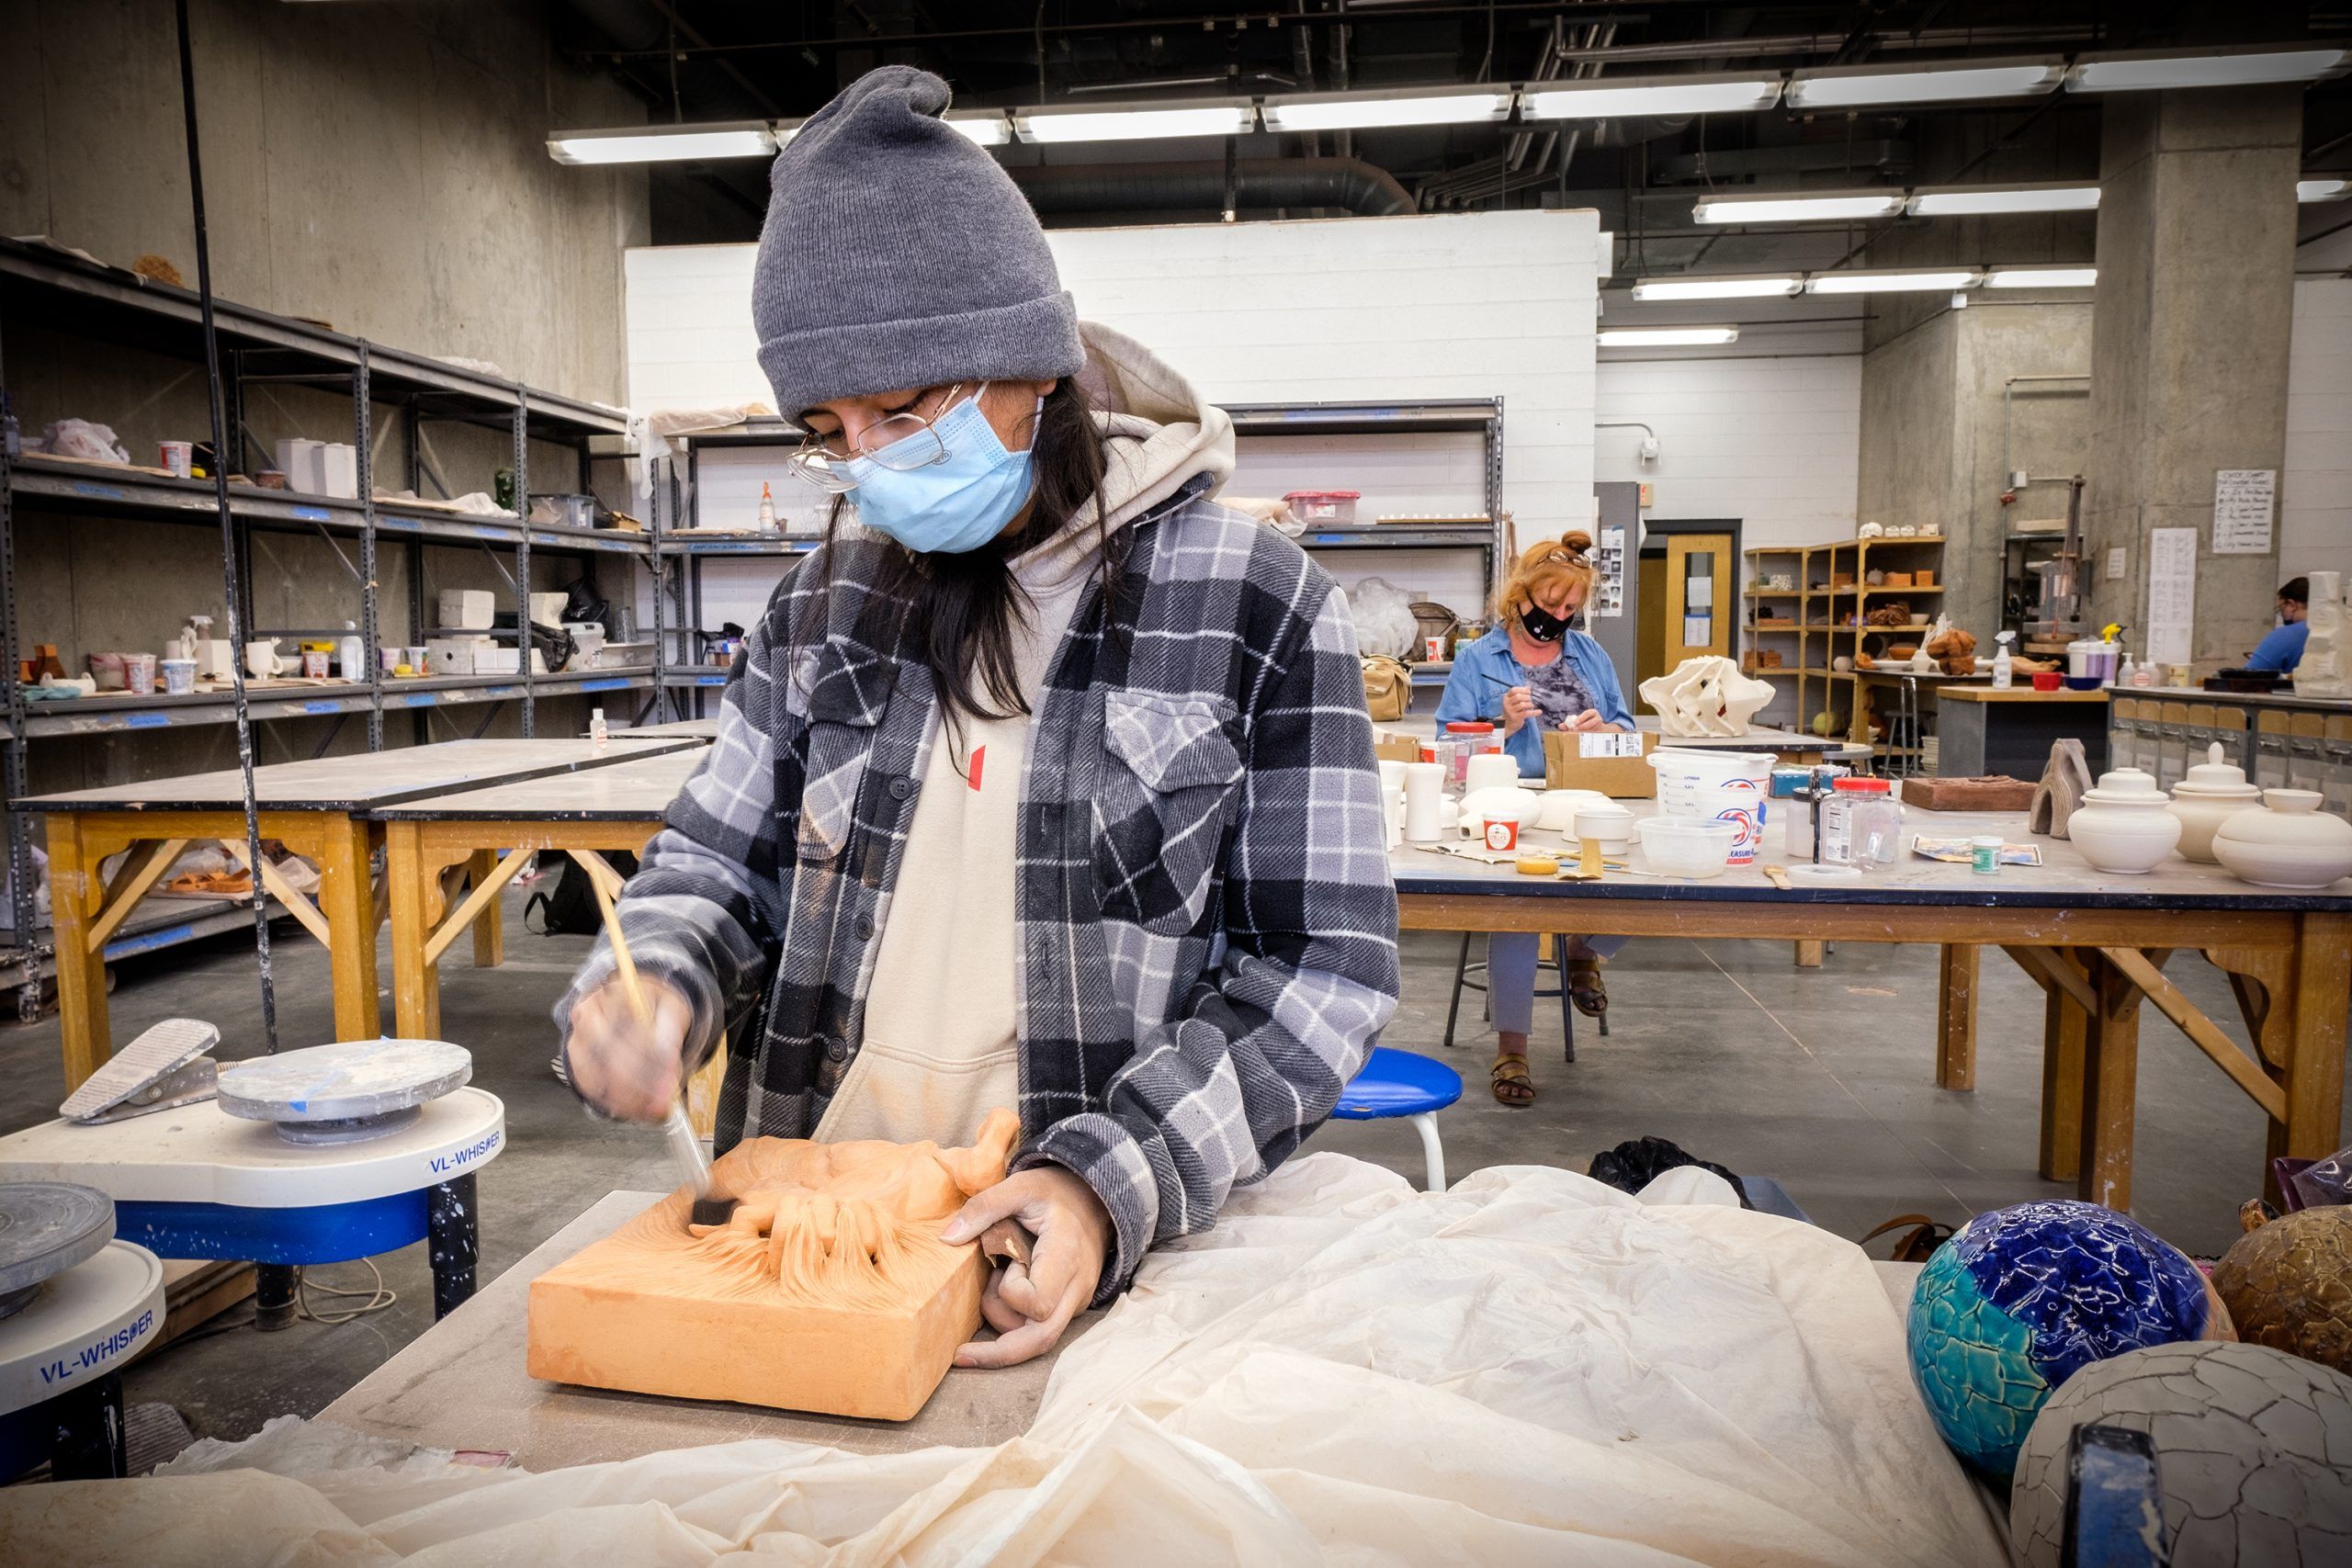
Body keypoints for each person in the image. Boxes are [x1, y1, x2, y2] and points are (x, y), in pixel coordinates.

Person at [557, 66, 1399, 1368]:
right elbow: (712, 861)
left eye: (906, 410)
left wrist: (1105, 1185)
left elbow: (1320, 969)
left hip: (1075, 1251)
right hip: (809, 1237)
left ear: (1037, 371)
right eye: (829, 428)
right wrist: (652, 980)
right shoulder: (820, 602)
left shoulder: (1252, 597)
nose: (874, 461)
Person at [1435, 535, 1634, 1107]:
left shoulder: (1591, 655)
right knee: (1515, 909)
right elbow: (1447, 743)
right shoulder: (1479, 659)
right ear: (1519, 597)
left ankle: (1583, 948)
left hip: (1580, 793)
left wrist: (1606, 733)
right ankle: (1512, 1047)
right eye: (1549, 606)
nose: (1559, 618)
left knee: (1638, 872)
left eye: (1570, 610)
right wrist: (1497, 722)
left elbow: (1628, 734)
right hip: (1507, 796)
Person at [2245, 577, 2311, 672]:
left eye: (2281, 609)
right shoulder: (2339, 632)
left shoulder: (2285, 636)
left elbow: (2248, 680)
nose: (2282, 615)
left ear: (2292, 604)